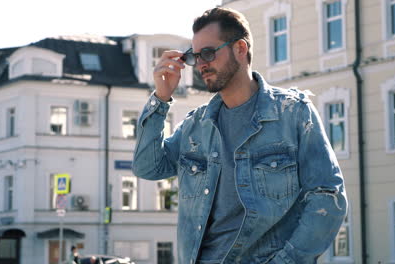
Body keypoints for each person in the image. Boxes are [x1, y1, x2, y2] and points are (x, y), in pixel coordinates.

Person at [132, 7, 347, 264]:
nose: (201, 64)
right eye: (195, 56)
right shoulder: (196, 126)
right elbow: (147, 167)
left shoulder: (293, 112)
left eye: (209, 53)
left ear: (240, 49)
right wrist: (161, 98)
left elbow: (328, 196)